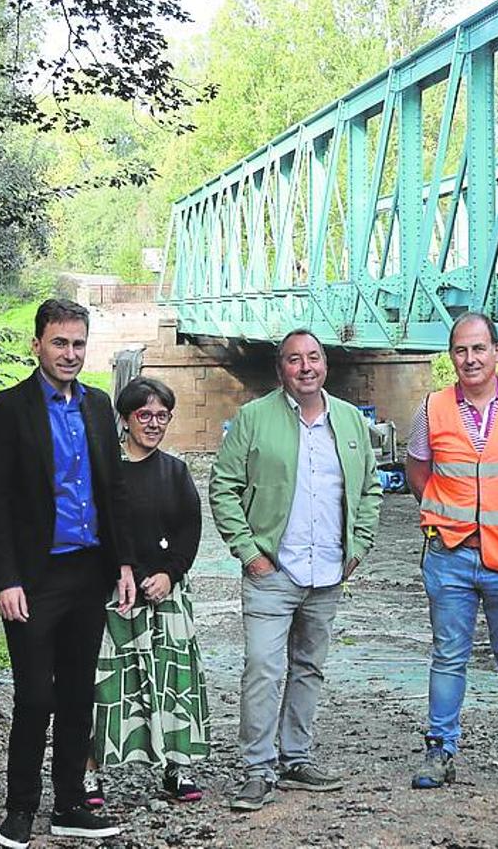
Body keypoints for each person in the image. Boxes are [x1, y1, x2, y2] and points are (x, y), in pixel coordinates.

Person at [0, 299, 134, 848]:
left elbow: (113, 489)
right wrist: (5, 579)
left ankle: (69, 805)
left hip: (89, 572)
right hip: (34, 579)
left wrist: (123, 562)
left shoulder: (96, 405)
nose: (70, 353)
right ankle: (18, 811)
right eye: (60, 342)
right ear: (37, 344)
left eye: (78, 343)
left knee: (76, 695)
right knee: (34, 699)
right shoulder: (8, 409)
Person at [209, 329, 382, 810]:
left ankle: (296, 758)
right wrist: (248, 552)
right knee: (263, 668)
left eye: (313, 358)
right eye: (293, 360)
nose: (305, 367)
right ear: (280, 368)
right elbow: (222, 486)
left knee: (309, 668)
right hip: (272, 570)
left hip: (329, 571)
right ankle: (257, 768)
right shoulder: (253, 418)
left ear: (325, 364)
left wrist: (359, 545)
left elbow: (369, 488)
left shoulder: (348, 421)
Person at [404, 312, 498, 791]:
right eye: (460, 351)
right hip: (450, 555)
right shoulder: (431, 408)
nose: (470, 359)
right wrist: (443, 517)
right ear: (452, 357)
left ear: (497, 352)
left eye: (478, 349)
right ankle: (440, 750)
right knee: (448, 655)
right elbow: (416, 470)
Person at [83, 376, 210, 807]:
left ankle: (177, 769)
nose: (153, 424)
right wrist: (133, 575)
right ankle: (89, 776)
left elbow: (189, 528)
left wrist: (170, 574)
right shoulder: (106, 471)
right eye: (144, 415)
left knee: (174, 680)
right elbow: (103, 530)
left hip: (166, 593)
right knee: (108, 685)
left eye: (161, 416)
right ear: (125, 419)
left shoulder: (176, 470)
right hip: (117, 593)